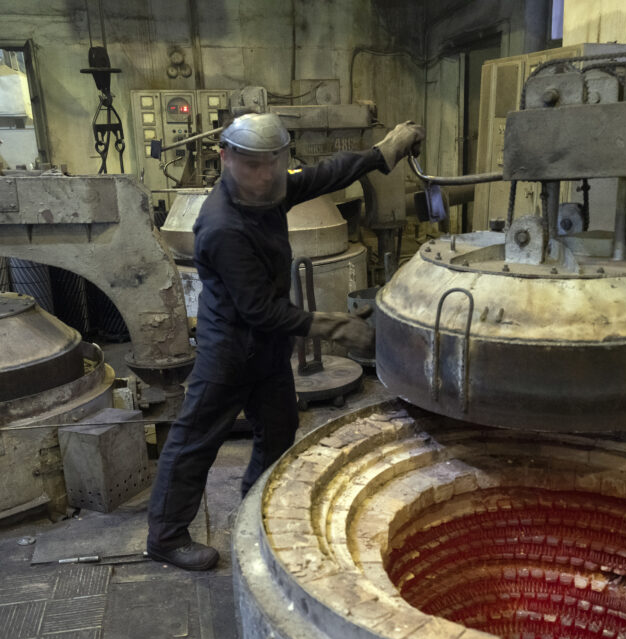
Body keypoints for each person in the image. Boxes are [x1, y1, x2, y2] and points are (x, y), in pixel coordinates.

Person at [146, 112, 425, 570]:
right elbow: (259, 310)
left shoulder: (270, 188)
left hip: (269, 349)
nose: (262, 175)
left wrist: (381, 153)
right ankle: (166, 537)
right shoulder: (222, 226)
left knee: (278, 431)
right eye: (252, 164)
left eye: (272, 163)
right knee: (195, 440)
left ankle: (254, 510)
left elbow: (323, 175)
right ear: (226, 157)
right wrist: (335, 326)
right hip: (230, 350)